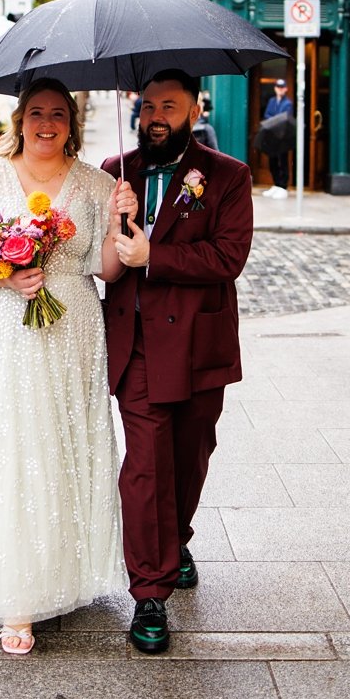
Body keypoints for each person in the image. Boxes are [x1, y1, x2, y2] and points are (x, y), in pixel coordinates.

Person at [0, 78, 130, 655]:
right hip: (2, 326)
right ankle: (14, 597)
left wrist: (120, 221)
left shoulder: (97, 183)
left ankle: (67, 576)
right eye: (37, 113)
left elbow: (108, 269)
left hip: (74, 326)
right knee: (12, 444)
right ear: (20, 120)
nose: (48, 124)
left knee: (68, 442)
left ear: (72, 122)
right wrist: (3, 273)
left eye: (59, 115)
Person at [104, 69, 253, 654]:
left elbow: (227, 256)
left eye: (169, 106)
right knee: (144, 468)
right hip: (137, 343)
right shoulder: (116, 172)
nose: (154, 117)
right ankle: (149, 592)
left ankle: (178, 537)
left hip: (198, 346)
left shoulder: (228, 177)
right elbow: (101, 255)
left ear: (194, 110)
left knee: (190, 459)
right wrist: (114, 220)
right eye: (147, 107)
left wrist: (153, 253)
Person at [262, 78, 295, 197]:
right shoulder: (271, 101)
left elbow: (285, 118)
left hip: (283, 138)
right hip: (272, 136)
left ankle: (283, 186)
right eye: (278, 87)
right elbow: (267, 114)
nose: (280, 90)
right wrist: (276, 119)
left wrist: (273, 119)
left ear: (286, 89)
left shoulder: (288, 103)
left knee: (283, 161)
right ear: (275, 88)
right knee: (273, 161)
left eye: (282, 87)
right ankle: (276, 184)